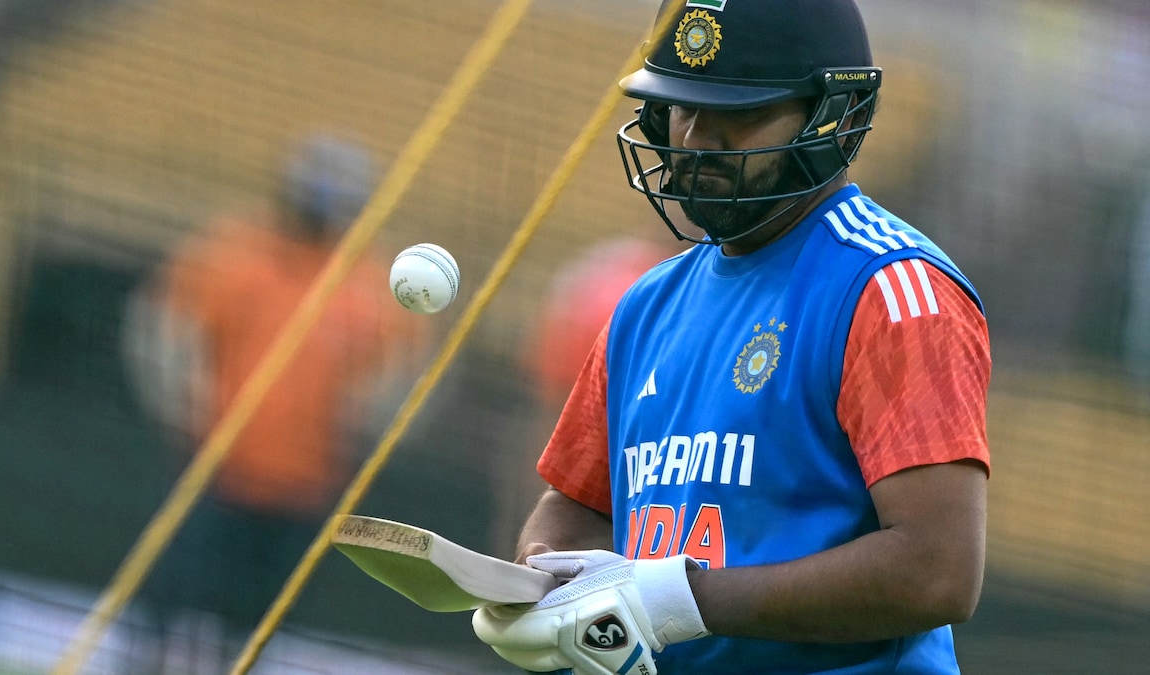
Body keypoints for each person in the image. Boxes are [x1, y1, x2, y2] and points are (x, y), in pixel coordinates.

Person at [471, 2, 991, 674]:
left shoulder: (890, 291)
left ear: (833, 117)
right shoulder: (645, 305)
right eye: (681, 107)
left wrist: (675, 600)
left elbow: (937, 570)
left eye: (737, 111)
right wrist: (542, 585)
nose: (695, 138)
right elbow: (575, 505)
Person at [123, 134, 427, 664]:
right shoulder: (233, 253)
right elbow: (164, 326)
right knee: (169, 593)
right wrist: (179, 402)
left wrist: (371, 425)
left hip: (302, 487)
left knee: (253, 616)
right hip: (213, 470)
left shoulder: (371, 286)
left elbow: (404, 376)